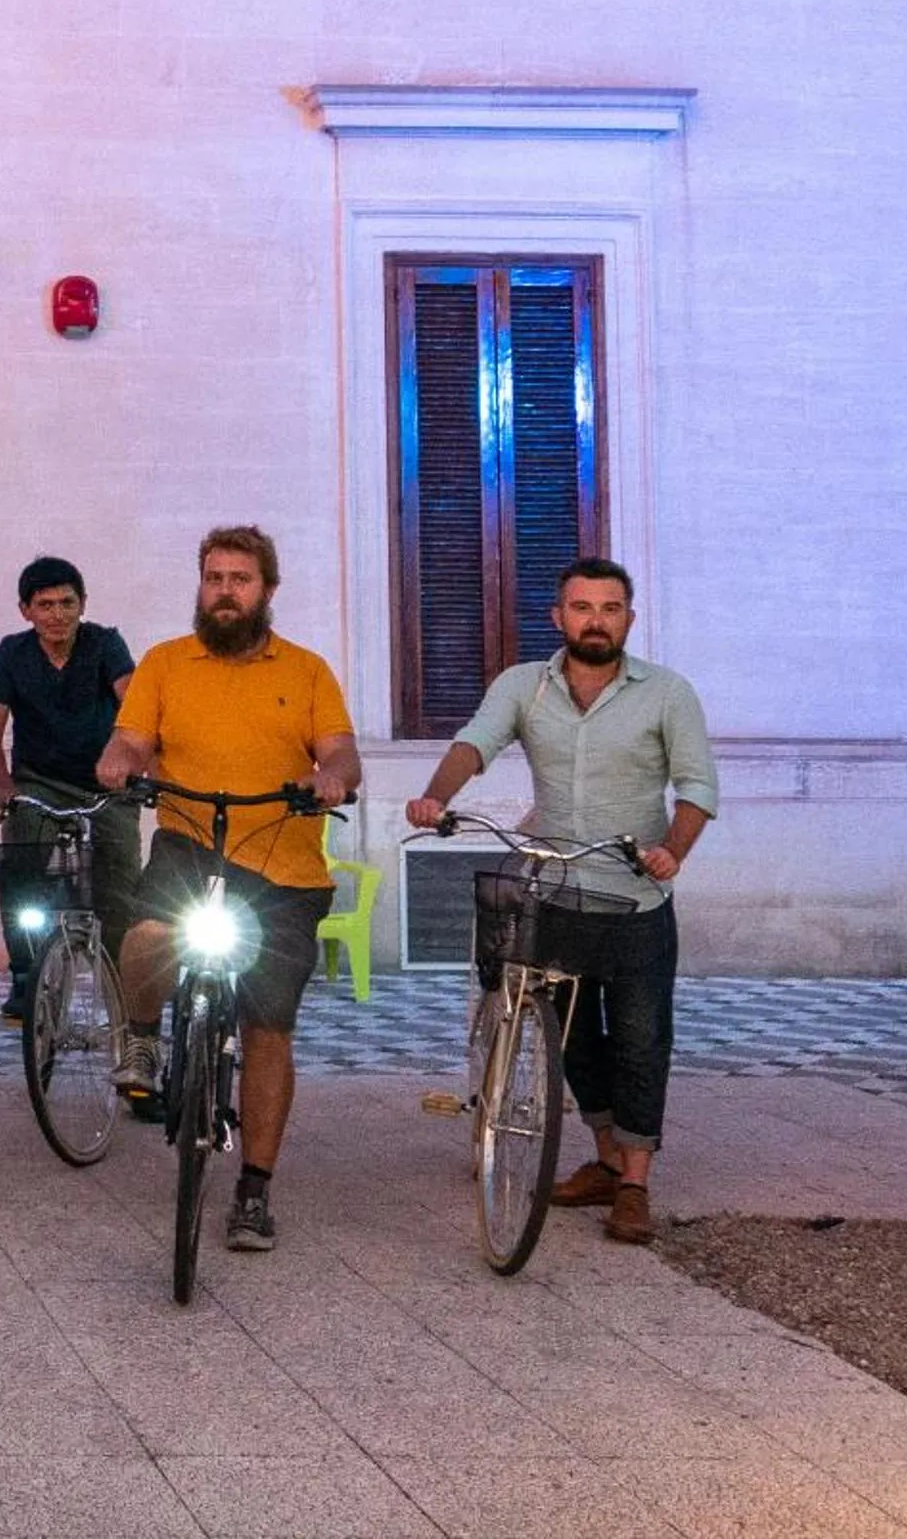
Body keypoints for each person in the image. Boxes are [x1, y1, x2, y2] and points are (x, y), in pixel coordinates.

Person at [405, 557, 716, 1246]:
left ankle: (632, 1183)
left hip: (634, 897)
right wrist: (435, 797)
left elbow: (697, 788)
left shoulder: (666, 693)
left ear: (627, 620)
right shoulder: (524, 686)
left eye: (610, 608)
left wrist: (672, 850)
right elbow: (473, 744)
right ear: (558, 617)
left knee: (639, 1042)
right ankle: (603, 1159)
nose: (595, 620)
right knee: (570, 1040)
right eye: (582, 607)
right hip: (555, 890)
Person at [98, 524, 360, 1255]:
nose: (223, 591)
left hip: (282, 862)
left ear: (266, 591)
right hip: (190, 840)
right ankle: (144, 1037)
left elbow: (339, 748)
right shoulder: (164, 662)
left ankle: (253, 1186)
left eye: (239, 580)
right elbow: (130, 739)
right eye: (213, 578)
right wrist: (118, 762)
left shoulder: (305, 671)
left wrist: (330, 776)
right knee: (149, 932)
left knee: (267, 1026)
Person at [0, 556, 139, 1019]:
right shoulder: (13, 652)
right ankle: (26, 972)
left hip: (106, 784)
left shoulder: (106, 644)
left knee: (120, 886)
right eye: (44, 604)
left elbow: (135, 710)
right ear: (25, 610)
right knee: (23, 867)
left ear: (83, 604)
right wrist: (3, 787)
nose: (57, 615)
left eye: (67, 603)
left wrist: (124, 760)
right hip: (39, 782)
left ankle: (125, 988)